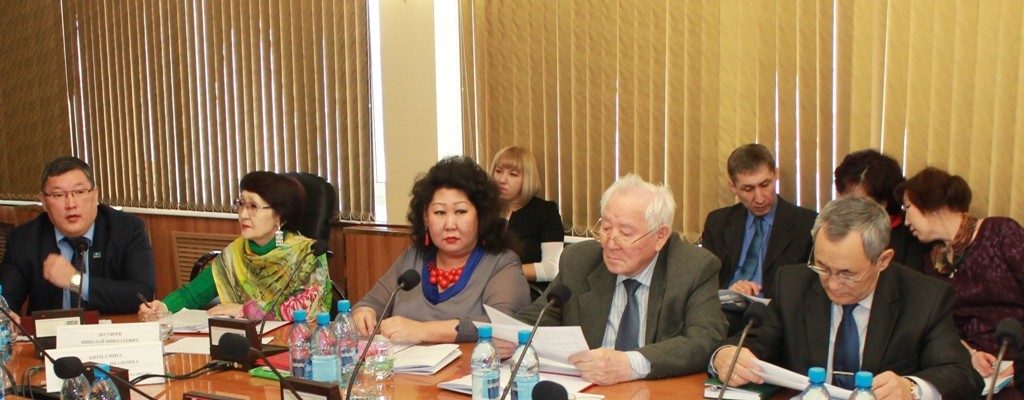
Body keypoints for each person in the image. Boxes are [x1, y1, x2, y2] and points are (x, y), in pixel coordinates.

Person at [710, 196, 982, 399]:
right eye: (823, 267)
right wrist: (724, 356)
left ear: (883, 260)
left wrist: (911, 388)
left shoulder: (924, 298)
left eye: (847, 273)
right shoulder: (793, 284)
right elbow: (754, 340)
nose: (832, 283)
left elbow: (962, 375)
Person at [515, 174, 727, 385]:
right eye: (606, 228)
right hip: (586, 389)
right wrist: (506, 337)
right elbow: (537, 318)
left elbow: (705, 339)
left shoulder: (693, 268)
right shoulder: (579, 261)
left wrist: (631, 363)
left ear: (660, 236)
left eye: (625, 233)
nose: (610, 243)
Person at [352, 156, 531, 343]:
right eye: (439, 212)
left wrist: (423, 330)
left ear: (481, 215)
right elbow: (371, 302)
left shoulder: (502, 263)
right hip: (403, 361)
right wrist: (364, 312)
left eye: (460, 212)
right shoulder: (413, 257)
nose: (450, 224)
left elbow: (503, 324)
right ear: (425, 218)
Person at [138, 171, 330, 322]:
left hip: (297, 345)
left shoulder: (308, 254)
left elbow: (306, 308)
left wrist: (244, 310)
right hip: (248, 343)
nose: (243, 215)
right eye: (241, 204)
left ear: (280, 217)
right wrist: (162, 308)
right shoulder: (236, 253)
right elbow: (191, 295)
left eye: (253, 206)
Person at [896, 167, 1024, 388]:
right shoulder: (932, 263)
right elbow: (944, 325)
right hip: (974, 370)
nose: (906, 221)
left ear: (932, 205)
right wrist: (972, 354)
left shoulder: (1000, 232)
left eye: (908, 207)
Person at [0, 156, 155, 315]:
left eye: (80, 192)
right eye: (58, 195)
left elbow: (142, 294)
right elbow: (5, 301)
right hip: (50, 331)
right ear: (44, 202)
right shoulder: (23, 240)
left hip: (109, 329)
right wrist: (7, 316)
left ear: (95, 195)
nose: (71, 204)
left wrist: (76, 281)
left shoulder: (127, 230)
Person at [701, 143, 816, 298]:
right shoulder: (717, 222)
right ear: (733, 187)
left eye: (765, 185)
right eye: (748, 189)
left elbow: (810, 289)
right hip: (725, 307)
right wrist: (728, 293)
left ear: (775, 175)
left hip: (776, 309)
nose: (760, 198)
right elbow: (704, 282)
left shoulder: (806, 224)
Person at [834, 149, 932, 270]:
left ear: (883, 203)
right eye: (846, 198)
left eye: (859, 201)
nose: (849, 207)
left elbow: (908, 279)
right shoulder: (832, 226)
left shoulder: (912, 235)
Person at [490, 146, 564, 292]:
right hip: (482, 288)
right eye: (498, 171)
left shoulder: (545, 211)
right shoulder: (483, 209)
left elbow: (552, 268)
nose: (502, 180)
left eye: (513, 174)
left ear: (527, 179)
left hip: (526, 290)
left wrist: (503, 272)